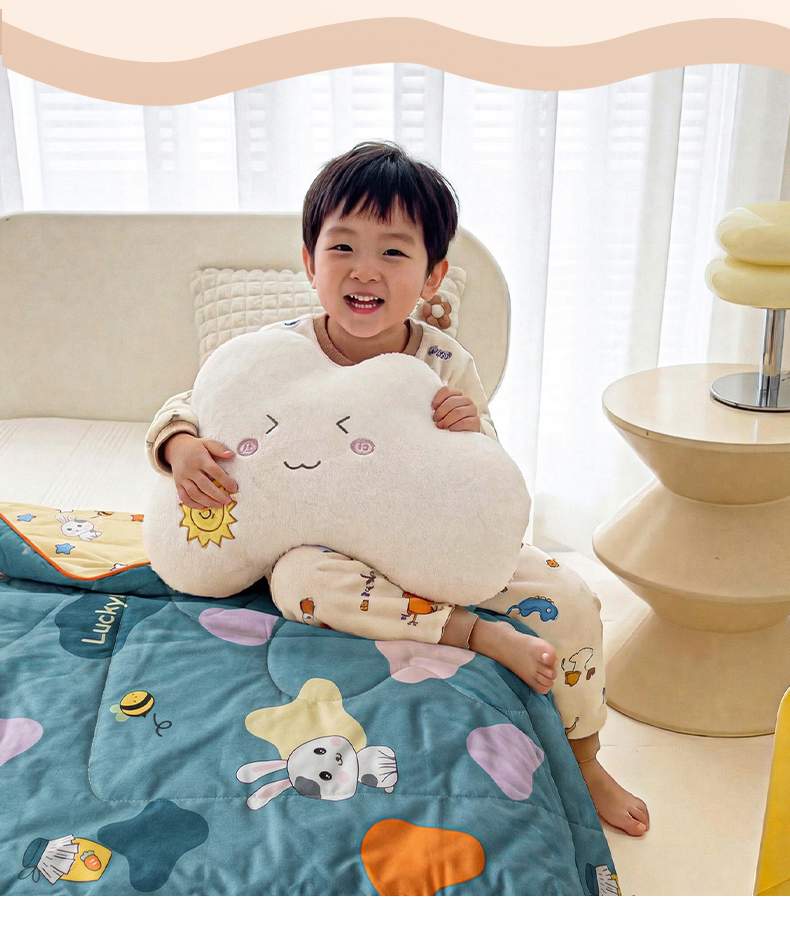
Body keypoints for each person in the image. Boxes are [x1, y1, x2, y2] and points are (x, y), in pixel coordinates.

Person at [145, 141, 649, 837]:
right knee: (299, 582)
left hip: (429, 543)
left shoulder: (444, 363)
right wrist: (178, 445)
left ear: (433, 274)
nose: (364, 270)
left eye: (393, 251)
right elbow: (192, 403)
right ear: (309, 262)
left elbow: (487, 479)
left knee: (571, 599)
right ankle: (470, 633)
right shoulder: (276, 352)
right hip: (332, 550)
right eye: (342, 246)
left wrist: (471, 431)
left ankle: (587, 759)